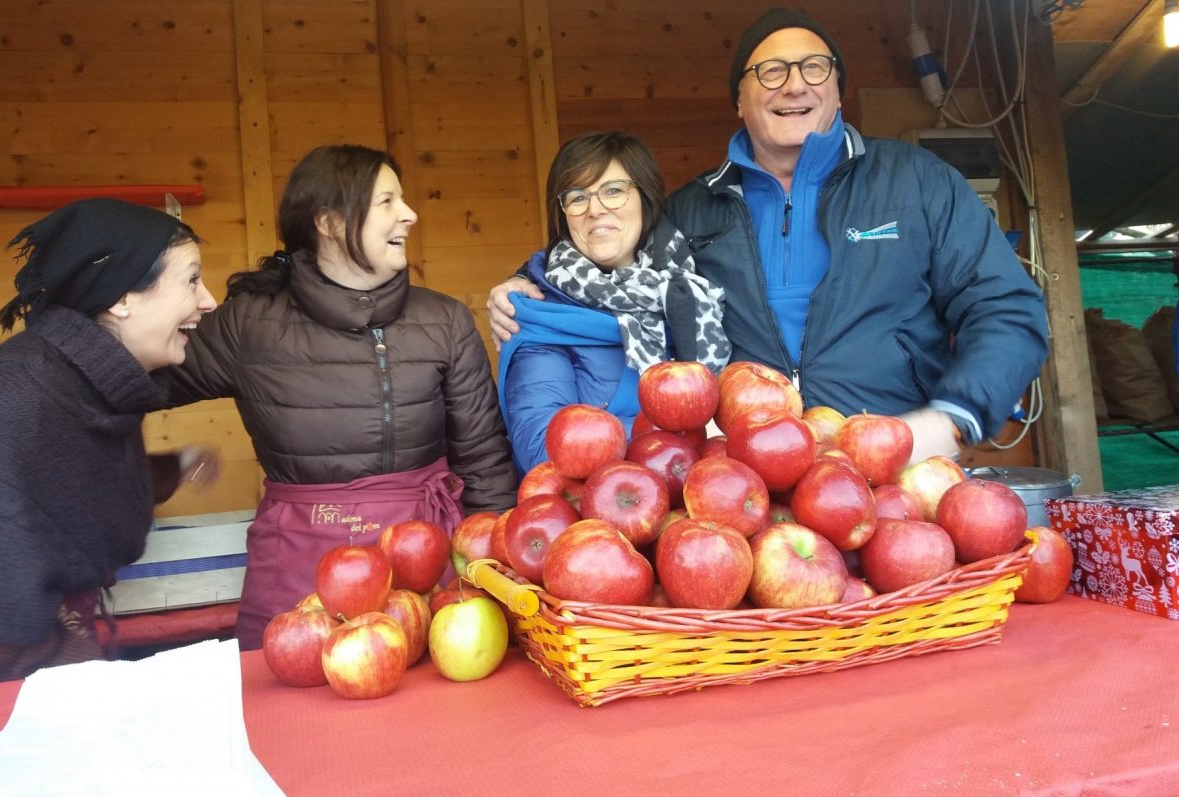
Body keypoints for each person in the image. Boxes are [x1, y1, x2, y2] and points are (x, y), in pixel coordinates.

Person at [488, 8, 1049, 464]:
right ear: (740, 99)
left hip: (902, 465)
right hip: (747, 486)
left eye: (814, 67)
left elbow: (1007, 308)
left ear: (837, 88)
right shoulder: (689, 211)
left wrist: (951, 420)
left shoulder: (918, 184)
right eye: (771, 72)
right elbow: (605, 245)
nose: (794, 84)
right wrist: (523, 279)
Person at [161, 145, 516, 649]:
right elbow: (126, 381)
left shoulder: (445, 320)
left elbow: (483, 460)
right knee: (288, 711)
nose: (409, 214)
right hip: (295, 569)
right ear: (328, 221)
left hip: (425, 564)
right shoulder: (250, 325)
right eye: (387, 201)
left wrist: (494, 574)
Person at [0, 198, 219, 697]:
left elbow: (58, 486)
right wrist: (83, 674)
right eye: (192, 279)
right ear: (121, 298)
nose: (209, 300)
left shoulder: (80, 379)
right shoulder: (22, 391)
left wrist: (170, 469)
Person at [498, 131, 730, 473]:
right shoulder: (539, 315)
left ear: (645, 198)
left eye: (613, 191)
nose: (595, 209)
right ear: (563, 214)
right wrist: (683, 441)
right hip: (597, 515)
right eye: (577, 197)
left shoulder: (691, 294)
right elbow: (545, 453)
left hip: (704, 505)